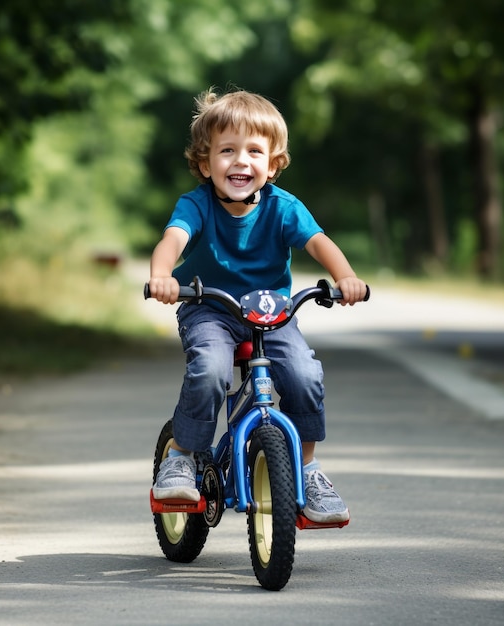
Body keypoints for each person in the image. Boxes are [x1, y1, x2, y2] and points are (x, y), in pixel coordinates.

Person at [147, 87, 367, 523]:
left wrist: (345, 278)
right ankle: (182, 454)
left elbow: (319, 242)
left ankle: (306, 469)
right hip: (209, 307)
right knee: (210, 368)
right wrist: (162, 275)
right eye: (227, 151)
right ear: (205, 163)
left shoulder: (284, 208)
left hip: (271, 313)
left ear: (273, 163)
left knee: (303, 373)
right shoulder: (197, 205)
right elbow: (173, 239)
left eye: (253, 151)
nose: (240, 161)